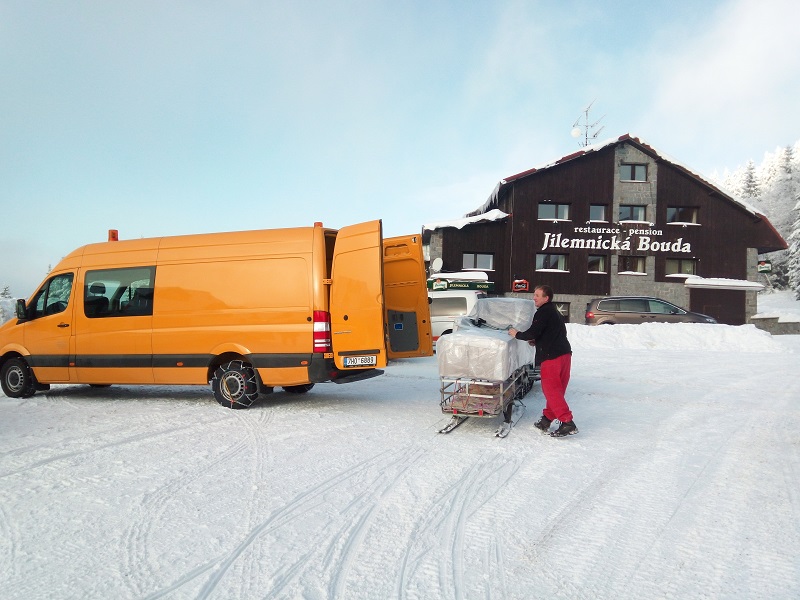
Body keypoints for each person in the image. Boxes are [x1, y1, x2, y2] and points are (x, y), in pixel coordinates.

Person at [508, 285, 578, 437]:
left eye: (537, 295)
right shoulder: (554, 312)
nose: (534, 298)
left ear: (546, 298)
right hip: (565, 354)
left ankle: (567, 422)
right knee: (557, 390)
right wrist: (537, 341)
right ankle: (547, 419)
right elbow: (554, 332)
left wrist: (517, 334)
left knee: (551, 390)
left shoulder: (543, 312)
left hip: (552, 357)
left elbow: (533, 332)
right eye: (534, 295)